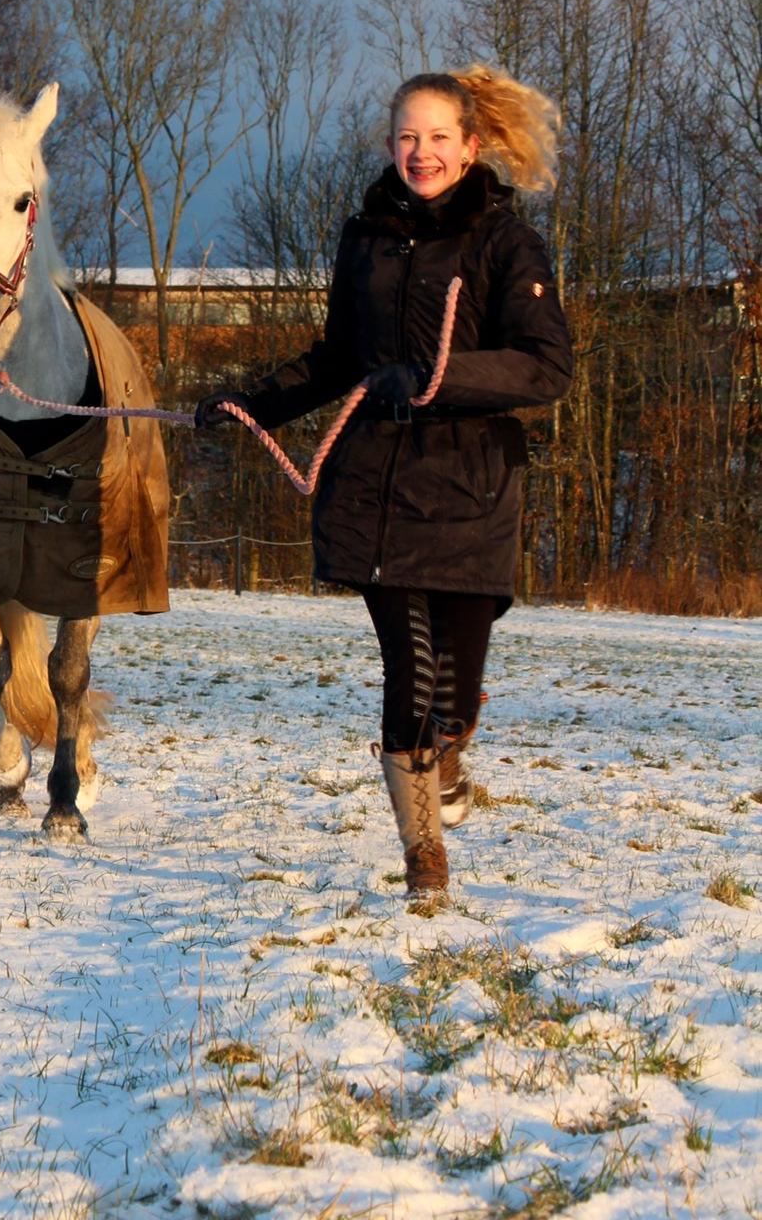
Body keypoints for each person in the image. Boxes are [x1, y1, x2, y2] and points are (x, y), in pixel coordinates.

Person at [195, 67, 573, 902]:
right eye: (408, 137)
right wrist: (251, 399)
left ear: (472, 147)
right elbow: (337, 357)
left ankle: (450, 752)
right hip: (375, 493)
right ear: (390, 145)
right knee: (410, 672)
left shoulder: (507, 243)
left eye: (439, 138)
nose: (422, 152)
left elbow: (545, 366)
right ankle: (424, 860)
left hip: (470, 493)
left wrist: (435, 378)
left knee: (452, 699)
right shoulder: (362, 237)